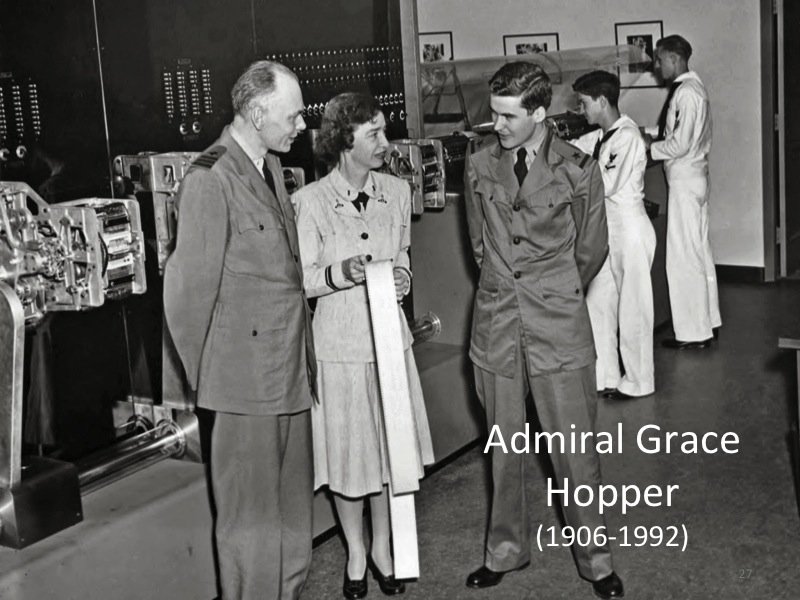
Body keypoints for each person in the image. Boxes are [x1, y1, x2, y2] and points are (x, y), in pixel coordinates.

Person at [463, 62, 624, 599]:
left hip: (557, 324)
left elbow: (591, 250)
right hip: (497, 325)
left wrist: (549, 290)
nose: (498, 125)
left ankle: (596, 562)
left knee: (575, 454)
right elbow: (479, 245)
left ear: (538, 112)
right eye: (495, 114)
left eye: (509, 116)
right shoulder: (479, 163)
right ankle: (504, 551)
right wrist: (506, 288)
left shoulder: (579, 169)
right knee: (503, 451)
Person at [163, 60, 315, 600]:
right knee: (251, 529)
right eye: (293, 116)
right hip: (244, 387)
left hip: (290, 373)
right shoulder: (211, 178)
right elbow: (187, 297)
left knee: (292, 520)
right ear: (255, 112)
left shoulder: (269, 165)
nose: (302, 126)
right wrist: (213, 385)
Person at [292, 92, 434, 600]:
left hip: (390, 342)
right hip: (340, 346)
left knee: (391, 452)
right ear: (342, 140)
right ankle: (355, 551)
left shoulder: (396, 191)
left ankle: (383, 549)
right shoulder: (309, 202)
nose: (385, 142)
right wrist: (341, 272)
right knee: (350, 455)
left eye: (383, 130)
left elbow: (403, 255)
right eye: (373, 133)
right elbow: (303, 280)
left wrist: (402, 278)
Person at [572, 70, 656, 400]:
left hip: (630, 231)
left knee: (633, 308)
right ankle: (606, 376)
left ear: (602, 101)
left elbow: (605, 184)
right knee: (597, 303)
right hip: (607, 232)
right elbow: (573, 150)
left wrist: (576, 178)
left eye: (584, 103)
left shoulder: (627, 137)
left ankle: (639, 381)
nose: (581, 110)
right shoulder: (602, 136)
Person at [641, 34, 721, 349]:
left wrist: (649, 147)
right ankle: (708, 322)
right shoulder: (693, 89)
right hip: (696, 178)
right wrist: (648, 133)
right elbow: (676, 131)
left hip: (685, 182)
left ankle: (692, 333)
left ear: (674, 58)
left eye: (660, 60)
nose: (657, 66)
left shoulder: (686, 93)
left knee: (683, 258)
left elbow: (679, 144)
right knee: (700, 253)